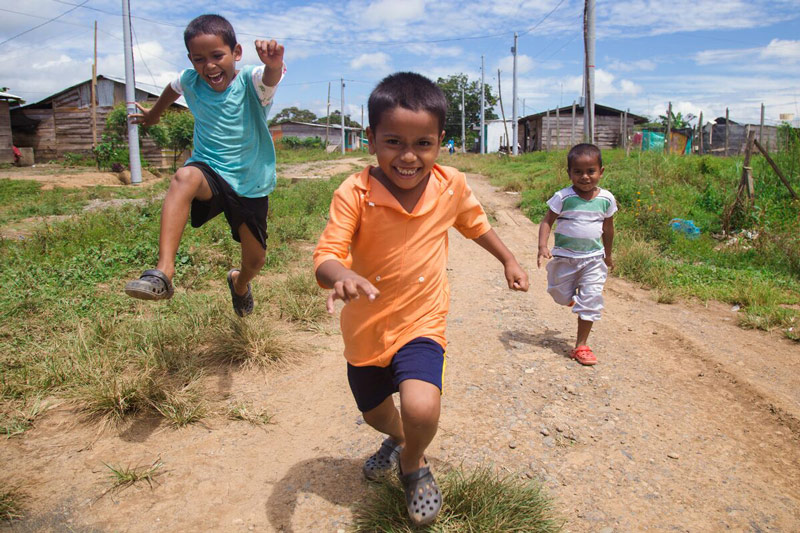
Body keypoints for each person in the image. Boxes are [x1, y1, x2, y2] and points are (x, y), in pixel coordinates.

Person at [313, 72, 529, 527]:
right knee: (377, 416)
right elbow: (327, 255)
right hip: (366, 330)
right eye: (393, 141)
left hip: (422, 321)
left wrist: (508, 259)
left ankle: (413, 462)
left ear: (440, 142)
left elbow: (476, 225)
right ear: (370, 138)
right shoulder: (354, 192)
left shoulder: (450, 185)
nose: (408, 157)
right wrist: (341, 274)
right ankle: (399, 441)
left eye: (423, 144)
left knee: (421, 406)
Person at [123, 14, 285, 317]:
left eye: (217, 56)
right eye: (199, 59)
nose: (209, 65)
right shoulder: (191, 79)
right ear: (190, 59)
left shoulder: (251, 81)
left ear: (236, 53)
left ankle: (239, 283)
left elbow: (270, 78)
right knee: (184, 177)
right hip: (208, 169)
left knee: (255, 261)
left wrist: (273, 64)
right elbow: (174, 87)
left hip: (250, 183)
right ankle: (163, 273)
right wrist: (155, 114)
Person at [537, 143, 616, 365]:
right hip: (564, 258)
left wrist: (607, 255)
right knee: (559, 294)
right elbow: (546, 221)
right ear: (569, 173)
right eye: (578, 172)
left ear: (601, 171)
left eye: (591, 171)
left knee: (591, 298)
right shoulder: (562, 197)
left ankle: (581, 345)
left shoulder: (606, 199)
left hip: (593, 259)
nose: (585, 177)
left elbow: (608, 229)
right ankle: (572, 299)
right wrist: (543, 245)